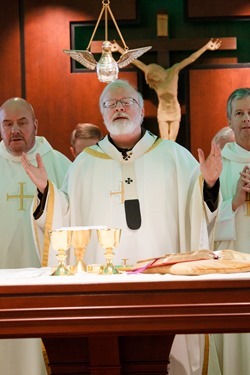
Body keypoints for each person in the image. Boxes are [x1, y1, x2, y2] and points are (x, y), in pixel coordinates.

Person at [22, 79, 222, 375]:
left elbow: (197, 215)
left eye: (126, 102)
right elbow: (64, 216)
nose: (118, 109)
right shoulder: (85, 164)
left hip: (163, 287)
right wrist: (45, 192)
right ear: (102, 115)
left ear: (142, 111)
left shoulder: (175, 156)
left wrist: (208, 183)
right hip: (104, 291)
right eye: (110, 105)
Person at [0, 97, 71, 375]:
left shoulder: (59, 164)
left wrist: (47, 194)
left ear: (36, 125)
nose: (15, 130)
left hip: (44, 284)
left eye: (22, 123)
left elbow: (73, 215)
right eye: (7, 124)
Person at [208, 88, 250, 375]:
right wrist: (234, 201)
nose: (247, 119)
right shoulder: (218, 164)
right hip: (235, 273)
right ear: (229, 121)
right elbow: (203, 224)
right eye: (240, 113)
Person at [111, 38, 221, 141]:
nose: (154, 78)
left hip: (174, 111)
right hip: (163, 112)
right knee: (164, 140)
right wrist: (120, 49)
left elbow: (190, 59)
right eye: (152, 78)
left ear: (157, 71)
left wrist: (206, 47)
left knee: (172, 141)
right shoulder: (157, 83)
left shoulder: (173, 71)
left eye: (154, 75)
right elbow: (136, 62)